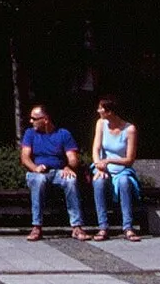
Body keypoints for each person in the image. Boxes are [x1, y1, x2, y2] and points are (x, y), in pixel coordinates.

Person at [18, 103, 84, 241]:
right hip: (38, 172)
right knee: (39, 180)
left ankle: (76, 226)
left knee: (71, 180)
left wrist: (69, 167)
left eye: (34, 118)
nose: (31, 121)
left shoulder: (63, 134)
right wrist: (35, 168)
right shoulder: (30, 133)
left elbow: (73, 158)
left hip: (58, 171)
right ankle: (37, 226)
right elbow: (25, 157)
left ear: (45, 119)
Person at [87, 97, 143, 242]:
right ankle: (103, 227)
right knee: (99, 182)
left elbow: (130, 159)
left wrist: (110, 160)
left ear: (110, 111)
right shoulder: (101, 123)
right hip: (103, 167)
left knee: (124, 182)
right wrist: (98, 164)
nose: (98, 111)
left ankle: (128, 227)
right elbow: (96, 148)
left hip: (122, 167)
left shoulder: (129, 129)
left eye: (101, 108)